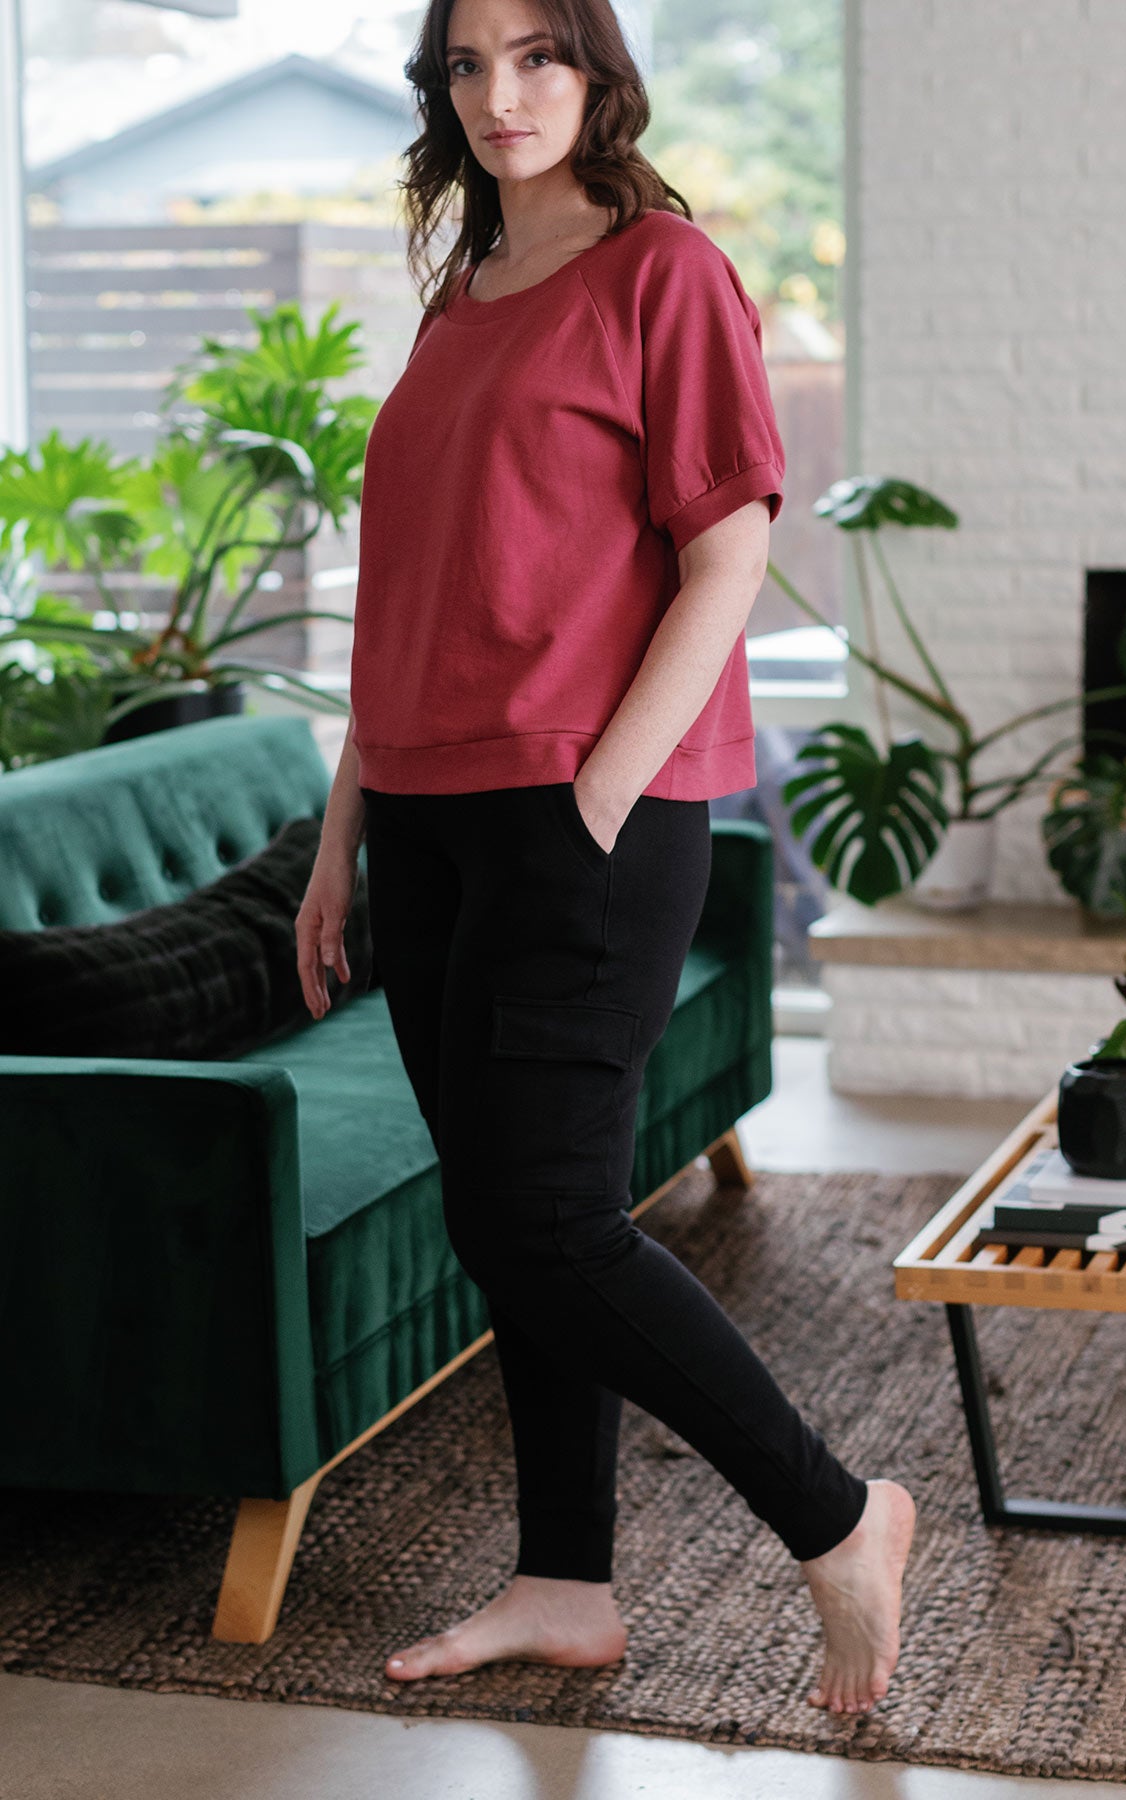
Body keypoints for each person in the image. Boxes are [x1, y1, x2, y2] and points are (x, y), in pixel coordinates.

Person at [295, 0, 915, 1717]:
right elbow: (409, 599)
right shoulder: (457, 302)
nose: (501, 97)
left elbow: (725, 555)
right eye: (467, 65)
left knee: (552, 1216)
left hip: (590, 813)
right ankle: (568, 1581)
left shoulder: (664, 273)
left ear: (597, 69)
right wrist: (344, 833)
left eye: (537, 56)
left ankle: (841, 1516)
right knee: (509, 1230)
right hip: (421, 821)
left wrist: (593, 803)